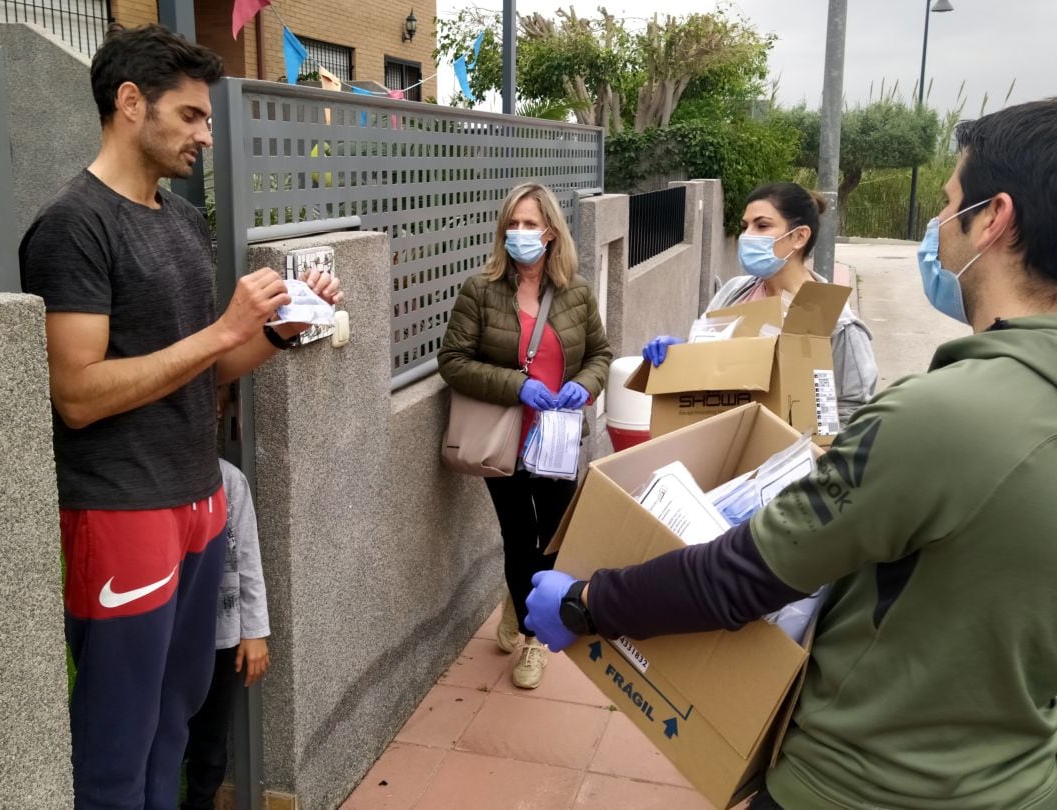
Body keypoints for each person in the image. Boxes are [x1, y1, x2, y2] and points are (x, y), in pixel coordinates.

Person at [526, 99, 1057, 809]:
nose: (937, 228)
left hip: (859, 781)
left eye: (949, 203)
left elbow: (746, 576)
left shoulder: (937, 414)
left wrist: (589, 602)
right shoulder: (735, 296)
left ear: (995, 219)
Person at [19, 24, 341, 809]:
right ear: (131, 103)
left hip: (198, 503)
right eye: (192, 115)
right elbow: (78, 394)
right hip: (121, 507)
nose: (206, 133)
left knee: (174, 721)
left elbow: (209, 364)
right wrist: (224, 329)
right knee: (113, 746)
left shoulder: (182, 220)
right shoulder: (72, 226)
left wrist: (271, 335)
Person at [437, 182, 612, 689]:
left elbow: (600, 353)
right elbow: (453, 362)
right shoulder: (481, 290)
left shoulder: (576, 293)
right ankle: (535, 638)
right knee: (518, 536)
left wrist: (584, 385)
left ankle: (521, 606)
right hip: (506, 439)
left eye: (530, 224)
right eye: (512, 224)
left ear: (551, 233)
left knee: (552, 537)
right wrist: (519, 386)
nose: (519, 233)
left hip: (558, 440)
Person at [643, 182, 877, 425]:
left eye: (762, 226)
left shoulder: (836, 321)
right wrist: (679, 353)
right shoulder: (734, 292)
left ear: (799, 236)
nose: (747, 236)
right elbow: (707, 365)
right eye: (745, 226)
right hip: (722, 446)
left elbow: (856, 411)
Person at [182, 401, 271, 809]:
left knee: (211, 740)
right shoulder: (153, 484)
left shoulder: (230, 481)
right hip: (169, 636)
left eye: (214, 413)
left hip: (221, 636)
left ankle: (201, 801)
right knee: (166, 734)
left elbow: (248, 559)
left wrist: (255, 632)